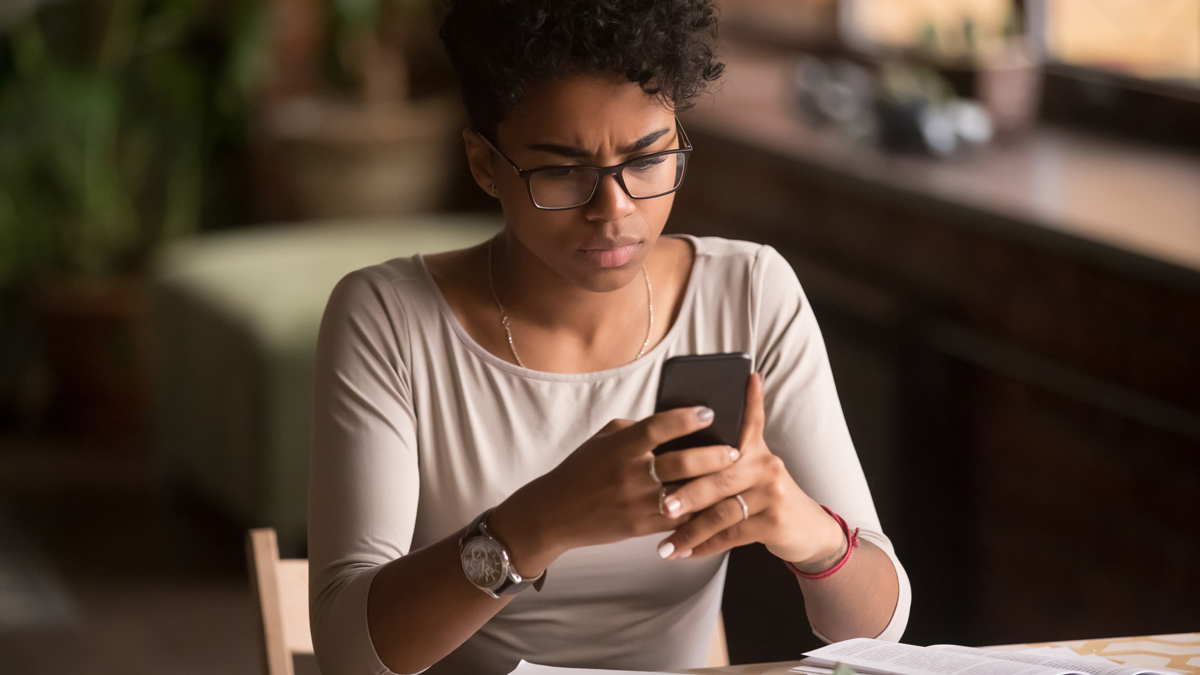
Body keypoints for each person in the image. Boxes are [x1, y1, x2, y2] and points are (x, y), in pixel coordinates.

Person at [307, 1, 910, 674]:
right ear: (484, 164)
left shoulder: (748, 292)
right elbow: (346, 653)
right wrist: (540, 521)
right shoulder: (389, 318)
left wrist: (811, 533)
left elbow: (878, 632)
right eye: (563, 172)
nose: (616, 211)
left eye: (649, 159)